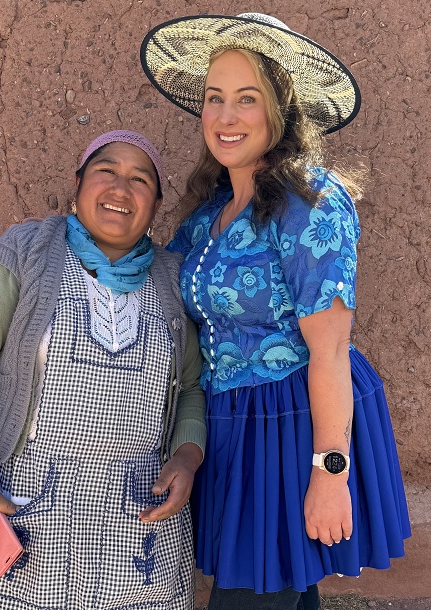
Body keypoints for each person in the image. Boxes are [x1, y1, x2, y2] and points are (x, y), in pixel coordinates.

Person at [141, 13, 410, 608]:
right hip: (231, 427)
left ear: (281, 110)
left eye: (247, 98)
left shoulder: (309, 202)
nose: (226, 116)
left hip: (294, 427)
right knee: (279, 593)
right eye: (214, 98)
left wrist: (330, 473)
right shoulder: (205, 216)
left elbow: (331, 347)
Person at [0, 130, 206, 609]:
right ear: (77, 185)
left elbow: (191, 389)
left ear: (157, 205)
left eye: (140, 180)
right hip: (27, 508)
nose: (121, 189)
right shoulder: (28, 249)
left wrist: (186, 455)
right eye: (106, 171)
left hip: (140, 518)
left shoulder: (173, 277)